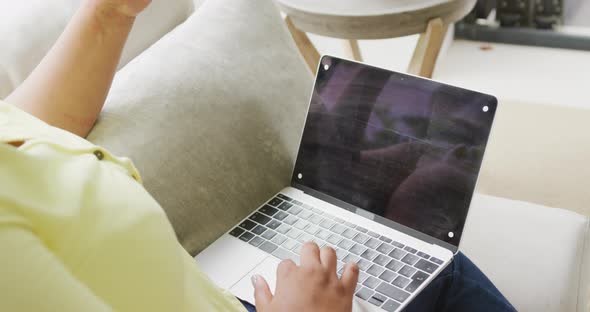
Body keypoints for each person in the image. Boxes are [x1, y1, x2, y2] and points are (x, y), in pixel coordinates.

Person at [0, 1, 517, 311]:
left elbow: (40, 129)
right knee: (429, 233)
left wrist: (112, 10)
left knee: (414, 242)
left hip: (231, 287)